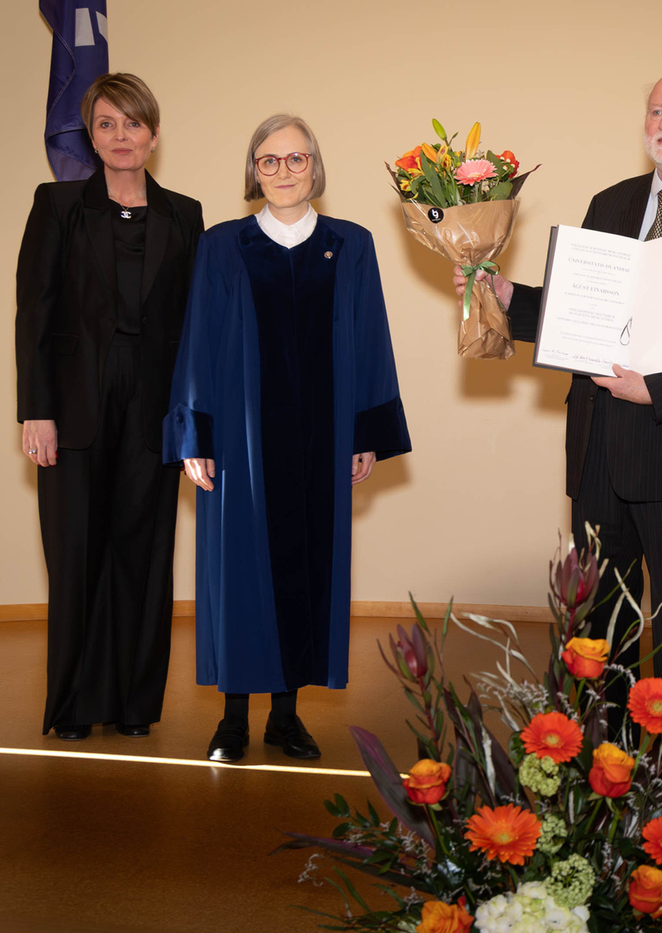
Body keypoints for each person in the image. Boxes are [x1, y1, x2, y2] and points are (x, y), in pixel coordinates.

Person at [455, 69, 662, 697]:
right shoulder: (611, 203)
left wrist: (657, 390)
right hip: (599, 447)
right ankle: (604, 751)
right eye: (656, 111)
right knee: (599, 630)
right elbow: (582, 311)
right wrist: (507, 296)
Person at [164, 114, 410, 764]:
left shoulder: (350, 244)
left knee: (307, 571)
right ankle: (232, 719)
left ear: (314, 167)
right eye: (268, 160)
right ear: (254, 170)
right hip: (242, 441)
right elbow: (198, 343)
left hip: (320, 441)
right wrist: (195, 436)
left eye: (295, 159)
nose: (282, 171)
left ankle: (285, 716)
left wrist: (364, 432)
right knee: (239, 572)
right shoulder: (223, 245)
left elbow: (370, 338)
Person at [16, 74, 203, 741]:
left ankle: (133, 704)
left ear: (154, 133)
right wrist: (35, 410)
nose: (121, 136)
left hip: (155, 410)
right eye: (106, 124)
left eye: (133, 123)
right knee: (76, 553)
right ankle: (72, 704)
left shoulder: (185, 214)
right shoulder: (58, 204)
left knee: (144, 553)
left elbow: (195, 325)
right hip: (73, 410)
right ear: (91, 137)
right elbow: (33, 312)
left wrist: (195, 422)